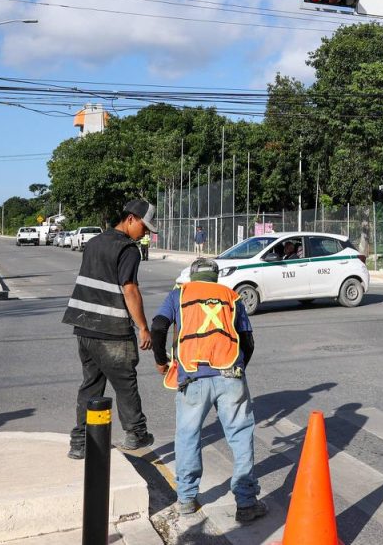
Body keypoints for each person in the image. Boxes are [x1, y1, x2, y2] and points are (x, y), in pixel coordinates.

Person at [151, 258, 266, 523]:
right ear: (215, 277)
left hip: (192, 378)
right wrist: (239, 368)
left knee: (188, 436)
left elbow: (158, 326)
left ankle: (187, 498)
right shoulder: (231, 295)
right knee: (239, 435)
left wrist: (161, 360)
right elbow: (246, 340)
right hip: (230, 376)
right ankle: (246, 503)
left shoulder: (179, 294)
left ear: (192, 276)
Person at [64, 199, 156, 460]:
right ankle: (136, 433)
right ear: (130, 219)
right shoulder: (128, 249)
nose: (145, 233)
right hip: (111, 330)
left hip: (83, 327)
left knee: (91, 385)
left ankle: (80, 442)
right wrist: (143, 328)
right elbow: (130, 289)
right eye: (144, 227)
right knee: (125, 382)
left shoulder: (94, 242)